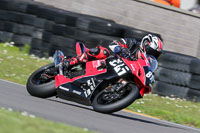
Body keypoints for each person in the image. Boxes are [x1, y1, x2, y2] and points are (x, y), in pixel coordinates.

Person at [63, 34, 163, 70]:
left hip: (115, 71)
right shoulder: (131, 43)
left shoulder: (143, 64)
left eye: (155, 55)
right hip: (107, 60)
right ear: (145, 44)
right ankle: (70, 62)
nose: (151, 55)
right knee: (103, 52)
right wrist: (122, 49)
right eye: (151, 51)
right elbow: (113, 44)